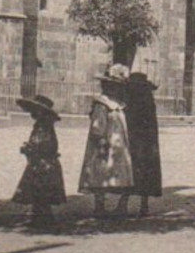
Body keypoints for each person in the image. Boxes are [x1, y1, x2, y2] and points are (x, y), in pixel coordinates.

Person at [79, 84, 134, 216]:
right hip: (105, 144)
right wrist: (101, 142)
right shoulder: (102, 104)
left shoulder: (118, 104)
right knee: (100, 173)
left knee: (121, 173)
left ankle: (122, 206)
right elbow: (97, 127)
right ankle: (99, 206)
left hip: (118, 144)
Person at [13, 92, 66, 227]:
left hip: (43, 163)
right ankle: (39, 217)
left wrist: (30, 149)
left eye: (35, 110)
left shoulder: (43, 126)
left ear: (41, 112)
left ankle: (44, 218)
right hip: (43, 162)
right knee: (39, 192)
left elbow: (43, 144)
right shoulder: (43, 125)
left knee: (41, 190)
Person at [121, 73, 163, 217]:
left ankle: (123, 204)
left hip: (134, 142)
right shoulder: (148, 102)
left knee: (129, 171)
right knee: (146, 173)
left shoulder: (131, 103)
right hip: (148, 144)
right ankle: (143, 205)